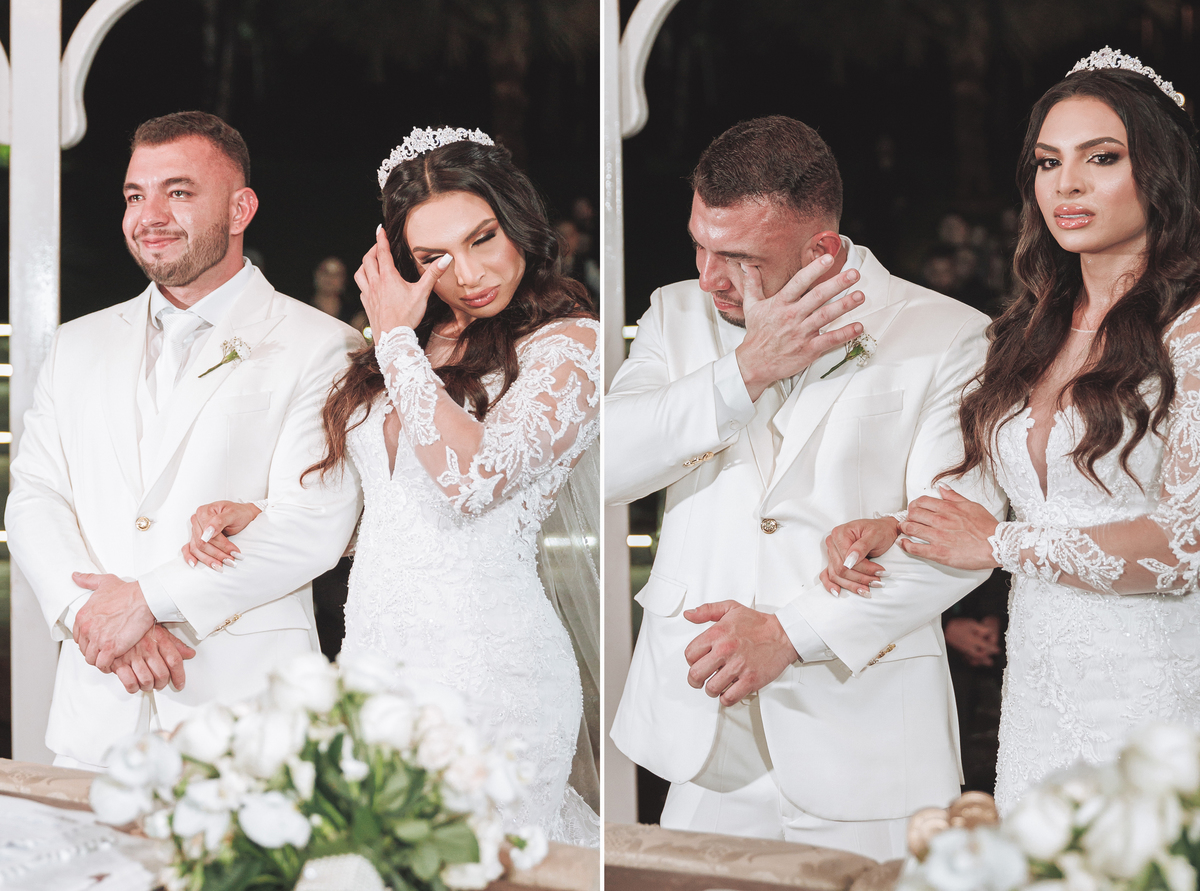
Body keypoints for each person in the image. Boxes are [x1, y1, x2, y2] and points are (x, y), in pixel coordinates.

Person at [184, 126, 601, 845]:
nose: (467, 273)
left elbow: (471, 480)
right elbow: (397, 511)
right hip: (377, 661)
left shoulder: (568, 345)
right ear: (404, 264)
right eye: (434, 257)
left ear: (519, 221)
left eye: (482, 237)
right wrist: (263, 514)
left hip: (494, 670)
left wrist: (395, 340)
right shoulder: (416, 342)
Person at [606, 115, 1005, 860]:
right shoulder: (676, 314)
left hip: (868, 736)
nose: (707, 275)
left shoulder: (949, 335)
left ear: (821, 249)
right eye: (698, 242)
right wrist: (744, 372)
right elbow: (607, 464)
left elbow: (958, 539)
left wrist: (791, 633)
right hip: (701, 734)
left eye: (737, 256)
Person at [821, 49, 1200, 813]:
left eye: (1102, 158)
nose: (1068, 184)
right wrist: (899, 526)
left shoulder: (1189, 335)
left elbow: (1185, 545)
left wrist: (998, 546)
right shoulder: (1028, 335)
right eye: (1048, 162)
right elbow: (1009, 490)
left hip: (1159, 686)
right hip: (1039, 692)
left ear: (1159, 173)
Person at [5, 111, 362, 769]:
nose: (150, 214)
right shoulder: (77, 343)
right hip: (98, 709)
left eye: (179, 191)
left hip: (248, 717)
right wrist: (98, 616)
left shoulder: (323, 346)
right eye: (135, 195)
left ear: (240, 207)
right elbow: (33, 497)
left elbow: (311, 522)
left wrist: (146, 600)